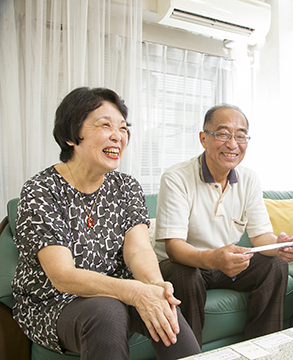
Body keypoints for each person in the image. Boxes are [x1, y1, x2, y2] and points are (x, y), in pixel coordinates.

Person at [11, 87, 201, 360]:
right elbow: (62, 276)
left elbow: (138, 250)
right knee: (106, 310)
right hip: (53, 303)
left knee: (164, 306)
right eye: (105, 125)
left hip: (116, 292)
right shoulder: (41, 190)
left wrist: (155, 287)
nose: (118, 135)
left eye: (123, 128)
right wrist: (135, 290)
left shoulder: (125, 186)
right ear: (72, 136)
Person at [154, 104, 293, 346]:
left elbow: (260, 237)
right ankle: (191, 353)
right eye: (223, 134)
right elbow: (174, 248)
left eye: (241, 135)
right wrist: (213, 259)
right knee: (185, 275)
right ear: (204, 138)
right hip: (186, 263)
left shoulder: (249, 179)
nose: (233, 144)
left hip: (225, 263)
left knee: (275, 266)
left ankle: (261, 349)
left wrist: (279, 245)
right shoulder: (176, 178)